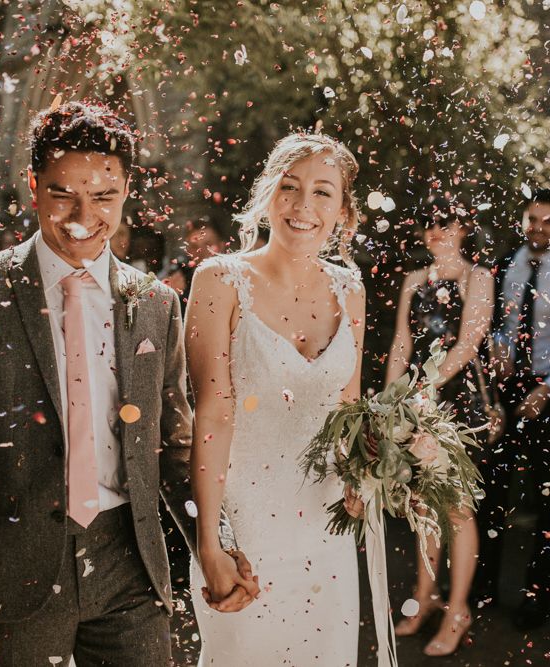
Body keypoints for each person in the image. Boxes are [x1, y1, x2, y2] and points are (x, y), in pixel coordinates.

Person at [0, 100, 255, 667]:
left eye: (104, 197)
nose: (84, 216)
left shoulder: (157, 302)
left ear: (128, 190)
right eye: (63, 194)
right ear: (33, 186)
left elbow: (175, 447)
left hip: (130, 568)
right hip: (10, 577)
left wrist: (215, 543)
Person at [185, 133, 366, 665]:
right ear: (268, 194)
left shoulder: (349, 288)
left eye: (322, 192)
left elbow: (347, 410)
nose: (302, 205)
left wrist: (362, 477)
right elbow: (211, 415)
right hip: (246, 523)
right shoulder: (219, 280)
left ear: (342, 211)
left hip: (326, 527)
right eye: (289, 187)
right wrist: (210, 541)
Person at [476, 188, 550, 630]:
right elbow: (497, 325)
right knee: (491, 492)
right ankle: (482, 586)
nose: (538, 228)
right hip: (506, 389)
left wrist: (548, 390)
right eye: (532, 219)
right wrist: (499, 351)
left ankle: (537, 598)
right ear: (522, 220)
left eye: (547, 221)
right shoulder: (506, 264)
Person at [385, 195, 493, 656]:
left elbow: (469, 344)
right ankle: (424, 598)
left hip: (458, 405)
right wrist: (391, 401)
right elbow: (401, 343)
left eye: (445, 221)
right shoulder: (414, 280)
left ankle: (458, 610)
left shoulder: (478, 277)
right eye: (428, 222)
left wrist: (425, 389)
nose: (436, 230)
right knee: (423, 505)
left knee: (458, 510)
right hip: (416, 402)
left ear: (463, 227)